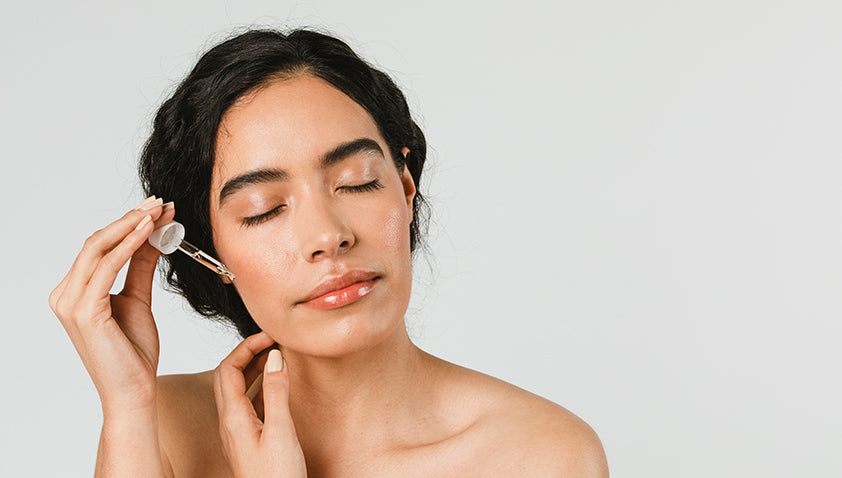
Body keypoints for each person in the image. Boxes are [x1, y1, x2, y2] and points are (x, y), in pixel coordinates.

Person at [49, 28, 608, 477]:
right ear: (205, 249)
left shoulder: (540, 455)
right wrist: (126, 408)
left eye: (358, 181)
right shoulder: (160, 428)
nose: (328, 236)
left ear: (406, 188)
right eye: (264, 208)